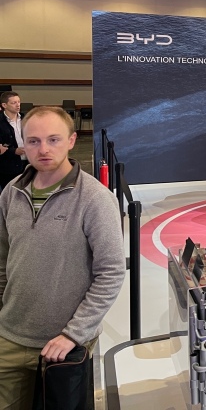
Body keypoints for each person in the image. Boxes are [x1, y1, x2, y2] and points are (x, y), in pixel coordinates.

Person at [0, 106, 125, 408]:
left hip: (65, 344)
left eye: (53, 139)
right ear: (24, 143)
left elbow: (111, 273)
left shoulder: (95, 199)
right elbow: (3, 259)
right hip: (10, 337)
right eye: (34, 141)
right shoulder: (11, 192)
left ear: (71, 140)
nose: (43, 149)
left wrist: (73, 334)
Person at [0, 92, 26, 191]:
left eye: (18, 102)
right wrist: (14, 151)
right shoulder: (1, 122)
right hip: (8, 165)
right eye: (13, 103)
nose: (18, 105)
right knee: (10, 192)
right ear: (4, 105)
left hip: (27, 163)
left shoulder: (25, 118)